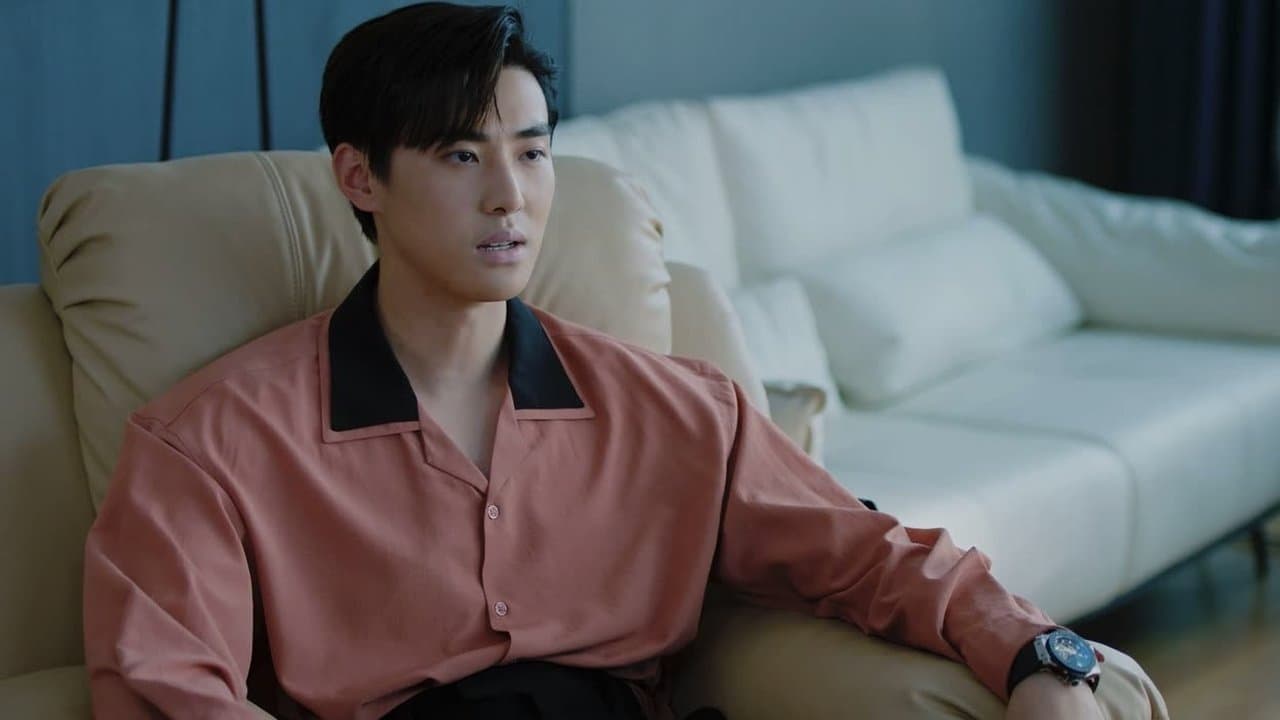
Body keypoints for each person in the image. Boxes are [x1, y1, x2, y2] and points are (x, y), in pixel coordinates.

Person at [82, 3, 1155, 719]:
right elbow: (166, 689)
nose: (510, 197)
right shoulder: (211, 443)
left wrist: (1035, 655)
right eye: (460, 155)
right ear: (360, 178)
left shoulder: (676, 410)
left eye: (533, 151)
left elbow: (865, 555)